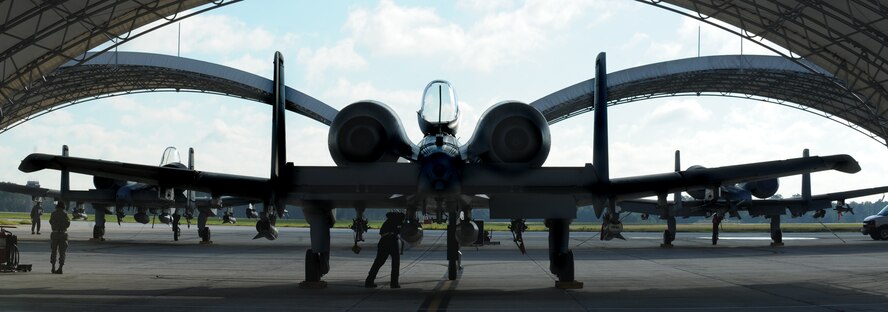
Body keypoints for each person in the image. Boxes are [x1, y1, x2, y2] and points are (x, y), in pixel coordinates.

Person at [365, 212, 404, 288]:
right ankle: (394, 283)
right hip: (392, 242)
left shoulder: (386, 223)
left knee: (378, 262)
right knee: (395, 263)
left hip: (383, 242)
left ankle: (369, 281)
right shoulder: (397, 222)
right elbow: (400, 231)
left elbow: (381, 232)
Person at [49, 201, 71, 274]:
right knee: (62, 252)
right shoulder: (65, 214)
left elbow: (50, 221)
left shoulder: (53, 213)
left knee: (53, 251)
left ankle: (53, 267)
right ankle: (60, 268)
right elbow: (68, 224)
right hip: (63, 234)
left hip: (55, 233)